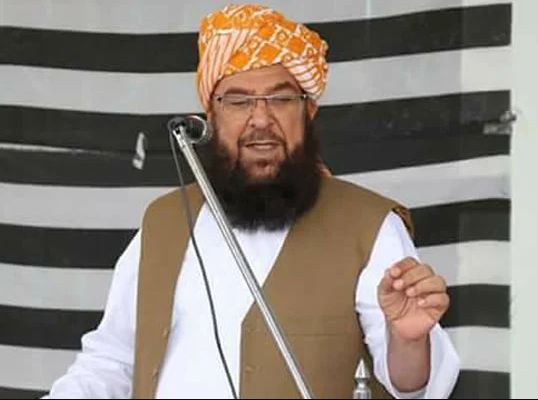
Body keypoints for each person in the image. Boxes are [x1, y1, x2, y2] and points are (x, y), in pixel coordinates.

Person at [45, 4, 459, 399]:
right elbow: (111, 361)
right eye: (238, 101)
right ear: (210, 115)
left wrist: (409, 341)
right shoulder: (164, 221)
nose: (260, 119)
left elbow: (414, 387)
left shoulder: (368, 226)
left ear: (309, 111)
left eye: (280, 99)